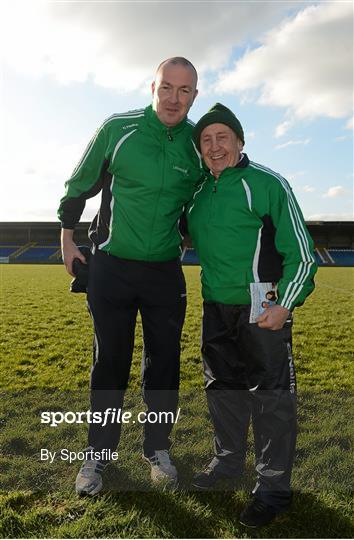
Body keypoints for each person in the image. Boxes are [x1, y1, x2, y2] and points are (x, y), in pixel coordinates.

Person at [57, 57, 200, 495]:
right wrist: (67, 236)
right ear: (152, 87)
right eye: (167, 87)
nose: (174, 98)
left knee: (165, 366)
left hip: (164, 273)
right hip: (112, 268)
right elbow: (80, 183)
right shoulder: (118, 129)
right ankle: (98, 457)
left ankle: (156, 448)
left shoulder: (197, 144)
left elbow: (210, 195)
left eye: (185, 90)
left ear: (194, 95)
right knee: (110, 364)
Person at [187, 103, 317, 527]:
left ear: (240, 141)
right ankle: (227, 464)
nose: (214, 145)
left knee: (271, 399)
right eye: (206, 140)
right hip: (215, 308)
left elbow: (302, 253)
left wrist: (285, 305)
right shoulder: (199, 193)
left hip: (263, 309)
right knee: (222, 390)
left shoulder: (268, 183)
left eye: (223, 137)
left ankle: (274, 488)